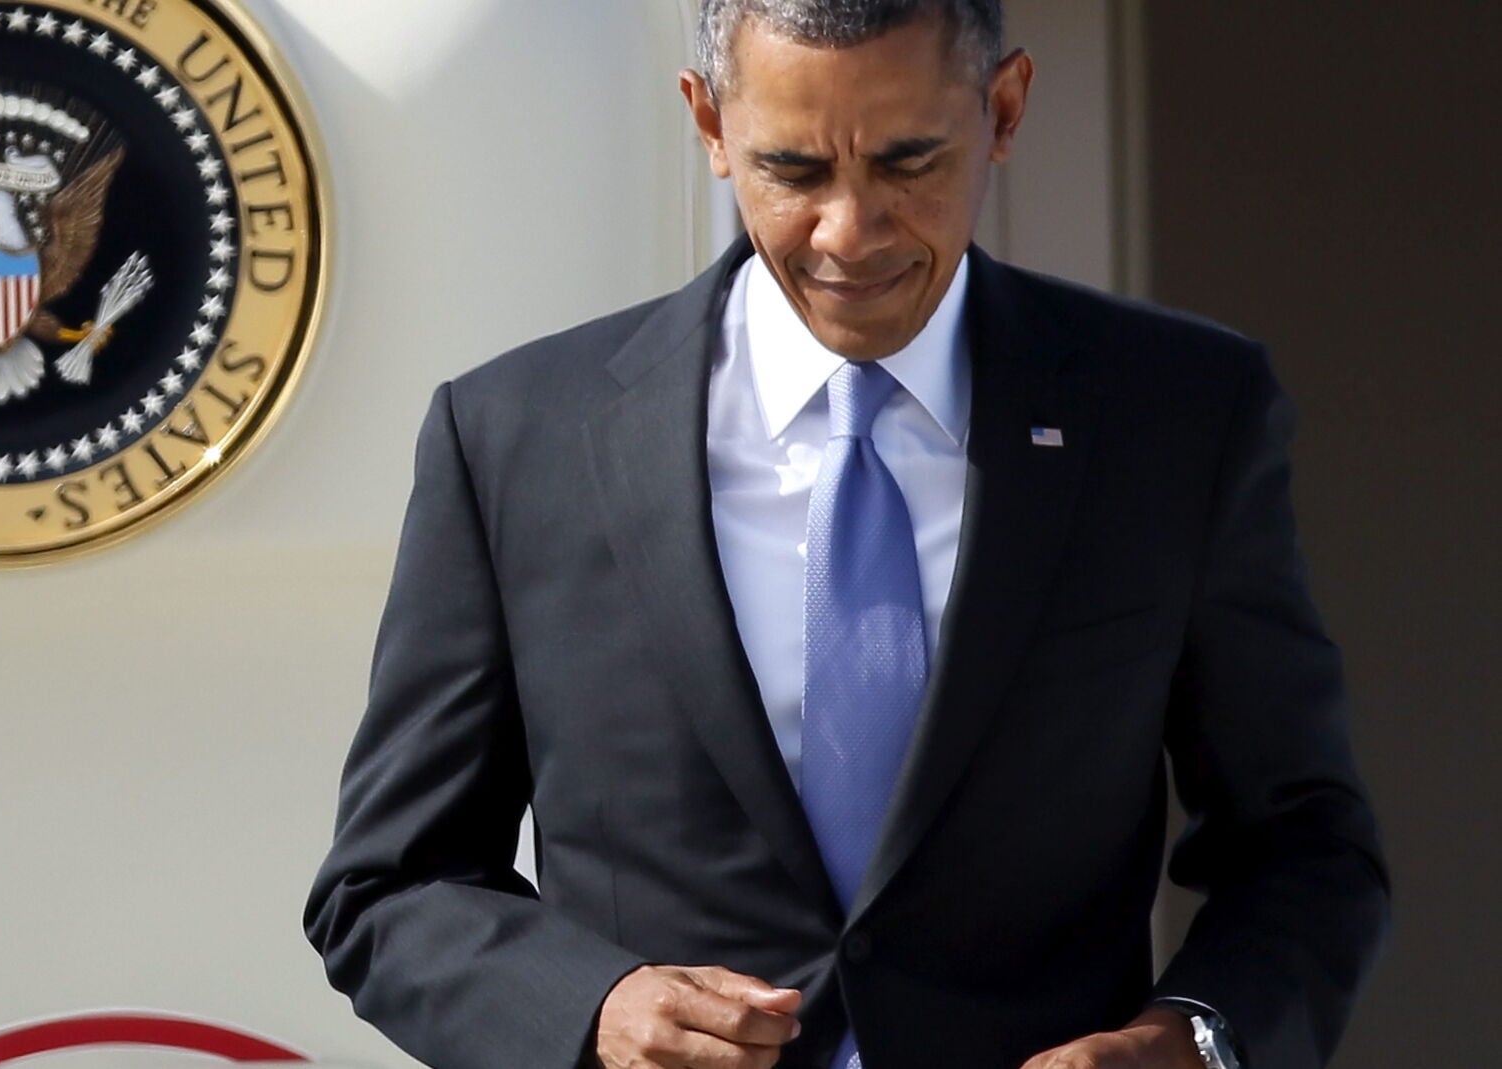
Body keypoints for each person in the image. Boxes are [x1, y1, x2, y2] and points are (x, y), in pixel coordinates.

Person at [303, 2, 1391, 1068]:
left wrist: (1190, 1041)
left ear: (1004, 110)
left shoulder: (1175, 415)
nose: (849, 232)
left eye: (908, 162)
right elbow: (390, 886)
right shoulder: (514, 439)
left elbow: (1302, 846)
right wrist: (596, 1011)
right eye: (794, 171)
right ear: (709, 126)